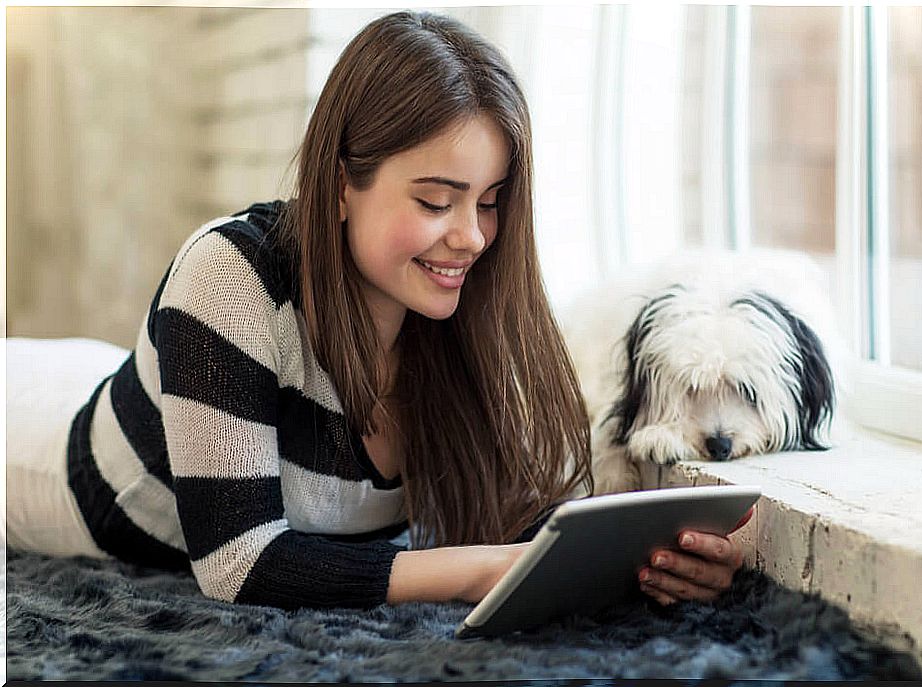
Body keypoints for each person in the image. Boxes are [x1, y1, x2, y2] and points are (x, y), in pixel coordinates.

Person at [6, 10, 745, 611]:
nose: (472, 235)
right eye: (434, 200)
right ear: (338, 186)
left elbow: (522, 516)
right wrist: (477, 570)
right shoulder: (229, 273)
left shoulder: (457, 308)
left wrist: (656, 564)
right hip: (32, 446)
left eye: (490, 203)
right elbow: (239, 561)